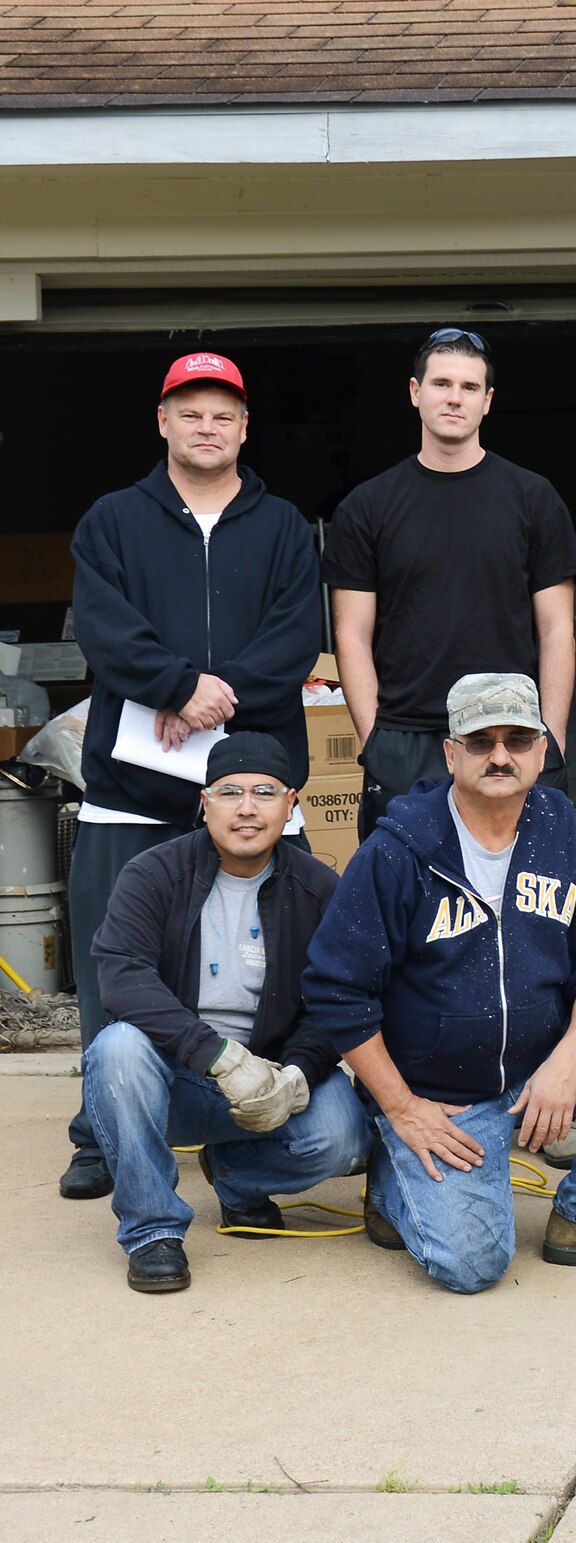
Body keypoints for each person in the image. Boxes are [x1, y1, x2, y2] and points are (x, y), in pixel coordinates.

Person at [302, 673, 576, 1293]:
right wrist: (403, 1108)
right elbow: (336, 990)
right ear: (451, 752)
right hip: (440, 1097)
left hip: (540, 1074)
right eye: (481, 741)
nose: (501, 755)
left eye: (518, 738)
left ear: (544, 749)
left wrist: (568, 1061)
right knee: (473, 1264)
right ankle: (391, 1175)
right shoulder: (398, 850)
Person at [62, 352, 323, 1202]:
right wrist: (177, 686)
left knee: (282, 956)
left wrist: (218, 697)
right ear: (163, 422)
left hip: (254, 782)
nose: (207, 427)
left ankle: (267, 1112)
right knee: (119, 957)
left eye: (224, 414)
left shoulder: (283, 523)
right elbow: (103, 626)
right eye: (191, 411)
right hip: (132, 790)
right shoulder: (110, 520)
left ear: (245, 428)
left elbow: (296, 630)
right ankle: (104, 1132)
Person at [83, 734, 371, 1293]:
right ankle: (153, 1232)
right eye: (229, 792)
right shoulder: (153, 873)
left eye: (265, 792)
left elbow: (339, 997)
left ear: (291, 805)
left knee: (347, 1137)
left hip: (267, 1080)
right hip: (176, 1078)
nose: (247, 808)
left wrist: (298, 1072)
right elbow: (121, 974)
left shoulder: (320, 888)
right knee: (116, 1048)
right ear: (204, 802)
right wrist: (215, 1056)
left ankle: (238, 1178)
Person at [323, 328, 576, 839]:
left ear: (487, 402)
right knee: (404, 906)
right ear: (415, 392)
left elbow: (558, 629)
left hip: (508, 735)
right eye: (441, 383)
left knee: (520, 906)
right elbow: (350, 634)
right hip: (404, 738)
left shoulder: (533, 498)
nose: (454, 397)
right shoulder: (367, 506)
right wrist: (374, 738)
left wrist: (549, 738)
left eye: (469, 387)